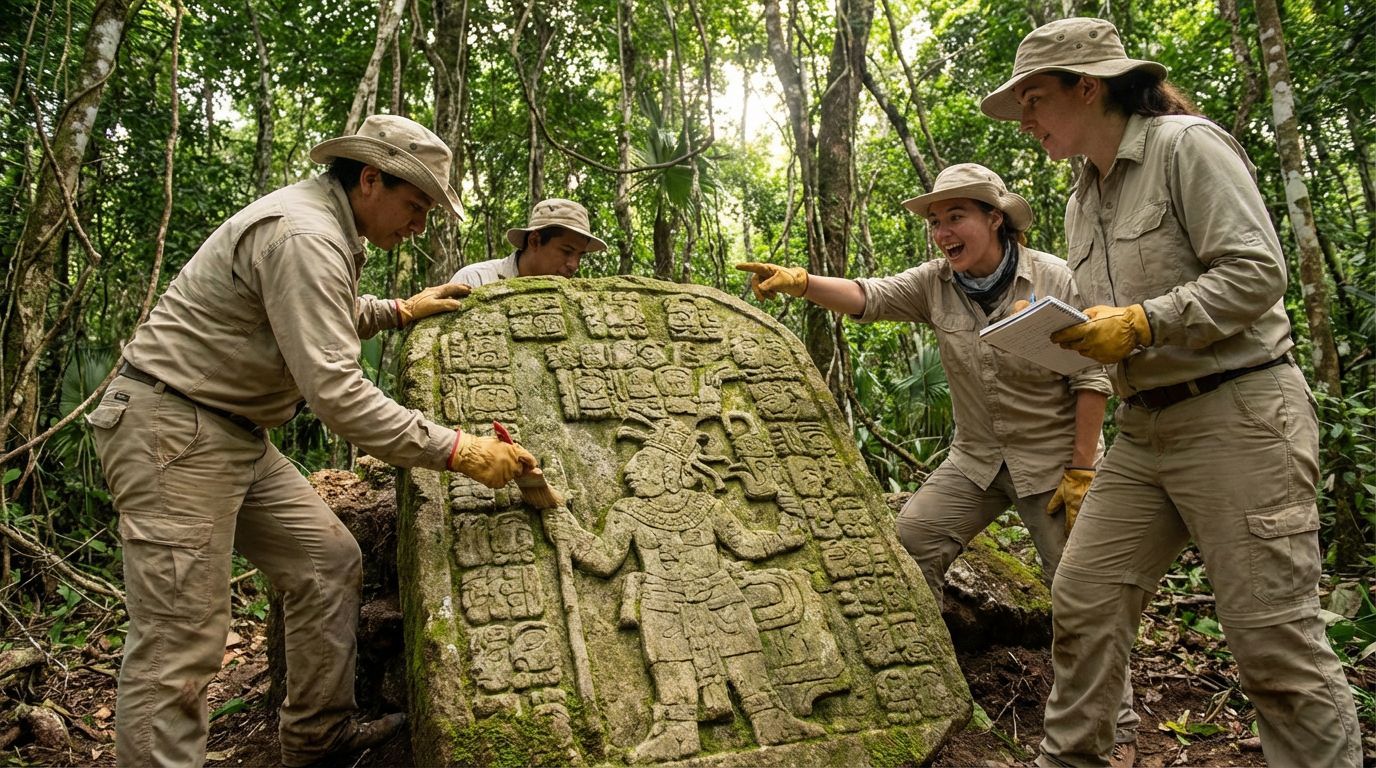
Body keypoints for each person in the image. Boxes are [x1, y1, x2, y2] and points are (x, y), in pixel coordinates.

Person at [85, 114, 539, 768]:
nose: (418, 224)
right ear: (371, 179)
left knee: (326, 562)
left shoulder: (327, 228)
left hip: (231, 432)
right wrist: (459, 450)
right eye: (414, 206)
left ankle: (317, 738)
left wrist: (398, 310)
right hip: (173, 429)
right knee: (177, 644)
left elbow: (315, 311)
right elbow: (337, 395)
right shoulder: (303, 233)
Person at [982, 17, 1361, 768]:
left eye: (1033, 99)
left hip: (1240, 414)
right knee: (1083, 601)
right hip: (1144, 428)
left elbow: (1257, 273)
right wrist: (1076, 331)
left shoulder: (1186, 146)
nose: (1024, 119)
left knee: (1274, 649)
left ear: (1087, 88)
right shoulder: (1080, 198)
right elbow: (1112, 320)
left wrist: (1143, 323)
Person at [736, 164, 1139, 760]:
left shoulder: (1051, 276)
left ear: (994, 219)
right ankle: (929, 684)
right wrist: (800, 282)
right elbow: (868, 297)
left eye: (956, 216)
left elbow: (1091, 377)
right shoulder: (934, 283)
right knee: (910, 543)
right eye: (934, 220)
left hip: (1056, 463)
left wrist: (1083, 469)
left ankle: (1117, 725)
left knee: (1082, 594)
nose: (942, 231)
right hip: (976, 458)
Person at [449, 198, 606, 287]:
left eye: (580, 256)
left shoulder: (573, 296)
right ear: (535, 241)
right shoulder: (475, 280)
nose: (574, 265)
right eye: (566, 251)